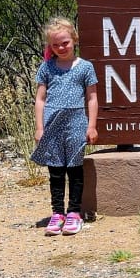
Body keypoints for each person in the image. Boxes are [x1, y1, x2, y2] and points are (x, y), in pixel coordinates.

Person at [33, 17, 99, 236]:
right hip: (52, 125)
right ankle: (57, 213)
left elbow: (91, 98)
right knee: (56, 172)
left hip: (76, 124)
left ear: (74, 40)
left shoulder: (86, 67)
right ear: (50, 46)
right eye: (55, 45)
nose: (61, 48)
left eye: (65, 43)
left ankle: (74, 213)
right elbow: (40, 99)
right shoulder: (47, 68)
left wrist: (91, 126)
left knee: (74, 170)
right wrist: (39, 127)